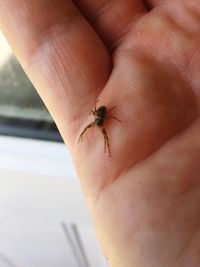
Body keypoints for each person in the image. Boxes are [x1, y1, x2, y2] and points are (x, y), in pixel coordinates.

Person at [0, 0, 200, 266]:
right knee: (90, 131)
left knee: (94, 132)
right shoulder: (101, 117)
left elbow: (103, 113)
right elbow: (101, 114)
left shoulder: (102, 117)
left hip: (103, 112)